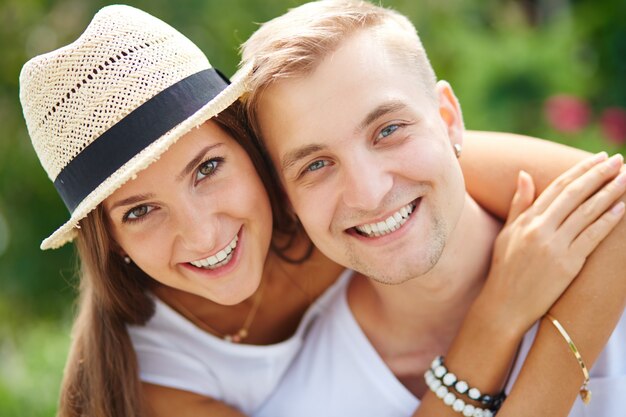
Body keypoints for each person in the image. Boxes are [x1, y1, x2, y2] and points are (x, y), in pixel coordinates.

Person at [19, 4, 623, 417]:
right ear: (107, 240)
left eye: (207, 169)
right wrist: (500, 315)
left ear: (254, 155)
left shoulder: (341, 194)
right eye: (139, 211)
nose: (201, 233)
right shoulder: (158, 377)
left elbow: (615, 199)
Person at [239, 1, 626, 416]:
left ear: (448, 117)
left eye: (388, 130)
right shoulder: (304, 405)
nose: (368, 194)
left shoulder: (611, 258)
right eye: (315, 165)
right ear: (285, 198)